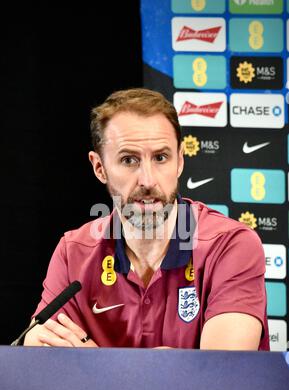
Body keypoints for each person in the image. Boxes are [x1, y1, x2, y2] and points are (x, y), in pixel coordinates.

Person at [24, 88, 269, 350]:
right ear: (99, 168)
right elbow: (38, 349)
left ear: (180, 161)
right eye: (129, 160)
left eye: (161, 158)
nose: (148, 180)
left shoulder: (230, 246)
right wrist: (158, 369)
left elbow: (221, 374)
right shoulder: (73, 252)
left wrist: (92, 362)